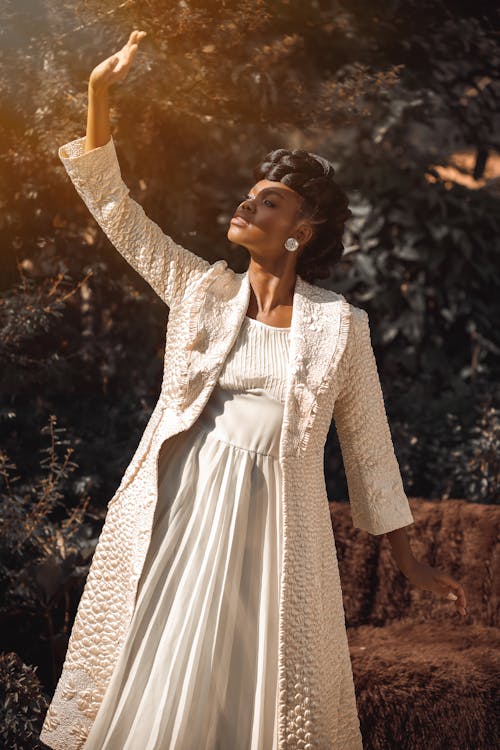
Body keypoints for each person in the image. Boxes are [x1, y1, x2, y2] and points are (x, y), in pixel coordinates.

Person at [40, 30, 467, 750]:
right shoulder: (200, 290)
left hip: (276, 530)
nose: (248, 204)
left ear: (303, 229)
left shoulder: (341, 326)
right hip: (185, 505)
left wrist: (409, 560)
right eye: (250, 195)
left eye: (269, 202)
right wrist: (98, 94)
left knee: (262, 694)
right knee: (164, 669)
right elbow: (117, 211)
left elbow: (369, 447)